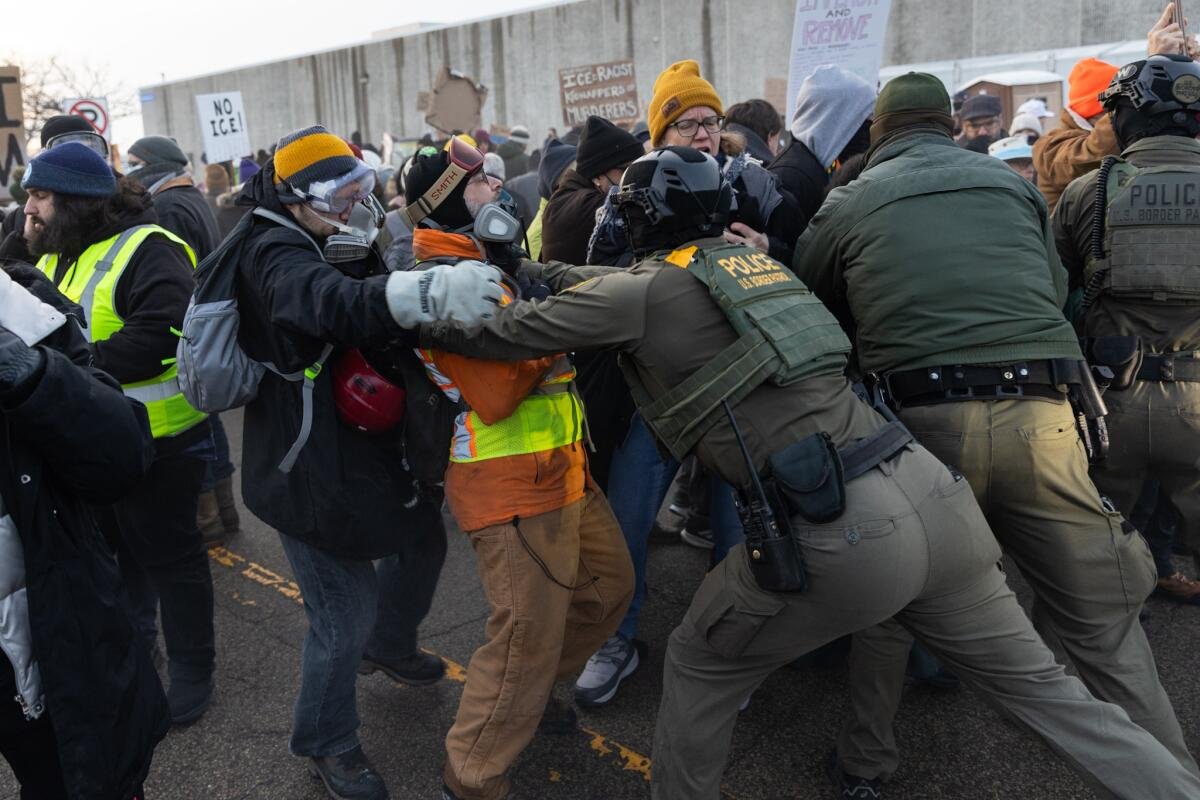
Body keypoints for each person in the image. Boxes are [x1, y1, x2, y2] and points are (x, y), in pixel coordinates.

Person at [421, 145, 1200, 800]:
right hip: (933, 497)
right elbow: (614, 293)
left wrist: (403, 291)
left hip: (840, 525)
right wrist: (540, 268)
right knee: (1055, 698)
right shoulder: (753, 267)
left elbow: (504, 333)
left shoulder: (648, 291)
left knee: (697, 663)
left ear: (642, 220)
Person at [793, 71, 1197, 797]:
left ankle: (864, 766)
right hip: (1044, 415)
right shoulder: (1007, 186)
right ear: (949, 125)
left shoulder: (850, 199)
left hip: (920, 424)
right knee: (1102, 621)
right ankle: (1172, 775)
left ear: (880, 132)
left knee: (896, 602)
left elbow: (814, 304)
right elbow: (1050, 286)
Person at [231, 126, 502, 800]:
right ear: (294, 197)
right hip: (307, 469)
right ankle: (327, 741)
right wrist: (418, 295)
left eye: (360, 186)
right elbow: (328, 303)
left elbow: (360, 285)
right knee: (339, 617)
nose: (356, 203)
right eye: (339, 192)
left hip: (360, 449)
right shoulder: (271, 250)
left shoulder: (326, 232)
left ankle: (389, 640)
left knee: (421, 541)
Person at [401, 140, 634, 800]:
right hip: (508, 483)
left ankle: (521, 703)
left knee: (607, 590)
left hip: (560, 469)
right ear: (446, 198)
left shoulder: (495, 262)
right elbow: (496, 393)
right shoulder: (442, 281)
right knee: (522, 641)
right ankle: (471, 775)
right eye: (482, 185)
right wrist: (552, 325)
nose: (501, 193)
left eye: (500, 180)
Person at [22, 143, 220, 727]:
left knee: (171, 558)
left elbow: (163, 333)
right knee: (115, 560)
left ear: (76, 202)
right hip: (93, 443)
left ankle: (193, 671)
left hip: (160, 442)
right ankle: (140, 657)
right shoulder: (61, 250)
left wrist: (72, 368)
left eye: (38, 196)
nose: (28, 209)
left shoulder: (149, 247)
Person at [0, 263, 168, 800]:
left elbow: (122, 457)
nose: (30, 210)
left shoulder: (23, 306)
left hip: (49, 642)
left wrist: (27, 371)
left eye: (43, 196)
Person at [1054, 54, 1200, 598]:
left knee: (1101, 572)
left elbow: (1050, 291)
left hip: (1111, 401)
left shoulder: (1087, 191)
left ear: (1126, 116)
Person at [126, 135, 242, 546]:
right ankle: (224, 512)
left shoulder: (168, 208)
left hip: (192, 325)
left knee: (200, 422)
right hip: (207, 320)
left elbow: (173, 273)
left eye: (134, 162)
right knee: (208, 419)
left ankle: (208, 519)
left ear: (155, 165)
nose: (129, 169)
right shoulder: (190, 198)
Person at [769, 65, 875, 225]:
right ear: (837, 119)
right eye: (864, 120)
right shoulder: (790, 177)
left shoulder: (821, 163)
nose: (870, 129)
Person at [541, 116, 643, 268]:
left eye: (639, 167)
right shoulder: (587, 206)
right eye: (626, 169)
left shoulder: (568, 198)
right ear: (597, 176)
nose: (635, 176)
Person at [1032, 58, 1121, 212]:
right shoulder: (1050, 147)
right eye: (1116, 108)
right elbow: (1094, 155)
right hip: (1073, 236)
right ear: (1093, 114)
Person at [723, 98, 781, 162]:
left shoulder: (717, 163)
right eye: (777, 141)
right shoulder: (771, 169)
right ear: (770, 138)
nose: (777, 152)